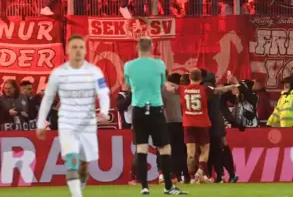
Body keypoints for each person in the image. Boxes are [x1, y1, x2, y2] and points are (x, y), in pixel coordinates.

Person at [35, 34, 111, 197]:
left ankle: (79, 188)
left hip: (87, 124)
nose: (78, 50)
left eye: (81, 47)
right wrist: (41, 123)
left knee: (84, 165)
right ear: (68, 50)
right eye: (74, 47)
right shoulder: (58, 73)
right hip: (67, 123)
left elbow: (103, 92)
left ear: (85, 50)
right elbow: (48, 98)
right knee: (72, 160)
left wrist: (104, 111)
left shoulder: (94, 71)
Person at [124, 37, 186, 195]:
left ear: (137, 48)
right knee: (165, 148)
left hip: (138, 110)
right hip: (156, 109)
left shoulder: (128, 66)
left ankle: (144, 187)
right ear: (151, 47)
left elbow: (129, 85)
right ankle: (168, 186)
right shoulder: (159, 64)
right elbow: (161, 84)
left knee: (141, 148)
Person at [166, 68, 238, 183]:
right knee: (205, 151)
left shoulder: (182, 89)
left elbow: (169, 88)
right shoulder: (204, 89)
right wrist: (231, 86)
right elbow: (218, 91)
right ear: (200, 79)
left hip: (188, 125)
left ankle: (192, 176)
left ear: (189, 78)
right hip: (203, 124)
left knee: (190, 153)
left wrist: (162, 79)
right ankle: (199, 171)